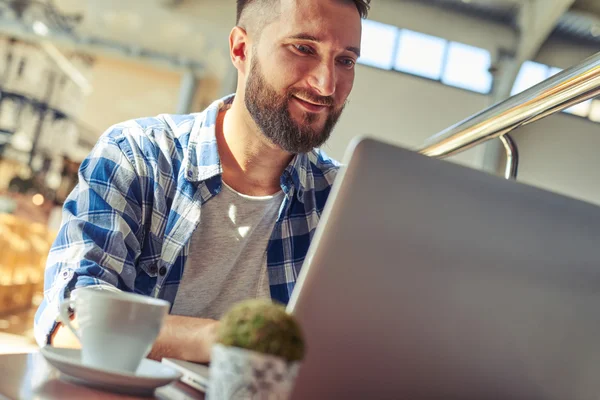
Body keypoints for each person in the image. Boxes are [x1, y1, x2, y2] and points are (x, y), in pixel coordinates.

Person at [34, 0, 369, 363]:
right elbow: (71, 321)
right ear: (241, 49)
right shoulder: (136, 155)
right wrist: (224, 339)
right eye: (303, 48)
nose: (326, 84)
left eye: (345, 60)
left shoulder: (344, 202)